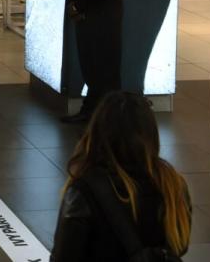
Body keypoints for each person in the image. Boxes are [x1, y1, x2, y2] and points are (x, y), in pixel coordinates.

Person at [51, 91, 191, 262]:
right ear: (151, 134)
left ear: (97, 132)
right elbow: (180, 246)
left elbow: (64, 256)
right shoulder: (173, 184)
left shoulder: (83, 191)